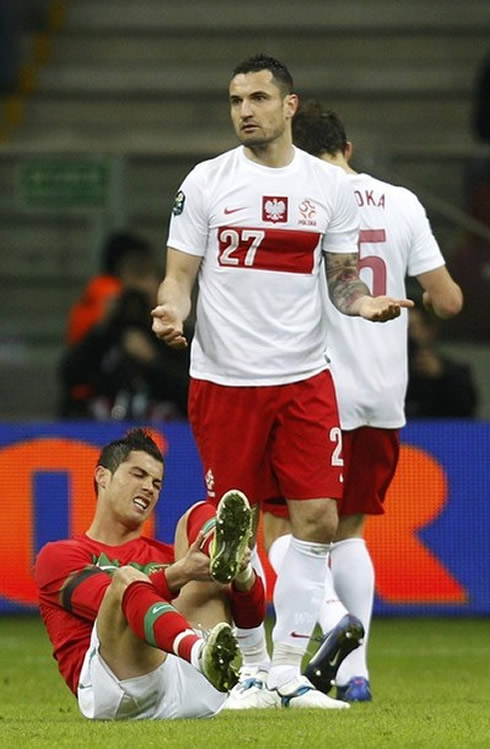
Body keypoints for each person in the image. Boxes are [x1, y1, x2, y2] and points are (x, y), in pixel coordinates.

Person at [151, 54, 413, 709]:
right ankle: (252, 670)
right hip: (225, 382)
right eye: (237, 99)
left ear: (289, 106)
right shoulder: (207, 182)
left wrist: (366, 302)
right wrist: (171, 311)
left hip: (304, 378)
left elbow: (344, 279)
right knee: (235, 538)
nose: (246, 110)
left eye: (260, 98)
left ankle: (292, 671)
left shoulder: (332, 191)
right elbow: (179, 276)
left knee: (319, 518)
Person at [257, 101, 464, 704]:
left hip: (315, 390)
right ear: (347, 149)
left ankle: (324, 617)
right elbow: (448, 300)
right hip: (382, 394)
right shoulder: (401, 201)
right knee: (348, 533)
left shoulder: (306, 200)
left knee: (279, 523)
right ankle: (355, 673)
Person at [34, 428, 266, 721]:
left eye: (157, 483)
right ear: (102, 476)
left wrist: (242, 574)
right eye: (138, 475)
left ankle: (230, 557)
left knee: (197, 514)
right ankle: (200, 652)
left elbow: (250, 619)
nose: (150, 488)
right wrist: (178, 574)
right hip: (122, 689)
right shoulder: (59, 556)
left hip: (195, 687)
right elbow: (107, 600)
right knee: (126, 580)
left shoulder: (169, 555)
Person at [59, 251, 190, 421]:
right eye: (130, 293)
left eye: (142, 293)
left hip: (166, 430)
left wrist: (153, 360)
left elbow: (190, 392)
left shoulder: (176, 334)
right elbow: (69, 375)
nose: (135, 300)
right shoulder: (107, 333)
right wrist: (103, 328)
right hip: (104, 429)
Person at [406, 305, 478, 418]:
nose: (406, 334)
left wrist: (442, 376)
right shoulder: (383, 371)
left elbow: (467, 412)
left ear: (429, 331)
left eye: (410, 328)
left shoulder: (454, 372)